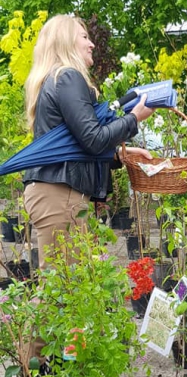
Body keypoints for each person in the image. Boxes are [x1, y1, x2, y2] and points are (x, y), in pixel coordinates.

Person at [23, 14, 154, 268]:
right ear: (65, 42)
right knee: (63, 293)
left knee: (67, 289)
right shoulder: (68, 76)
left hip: (57, 192)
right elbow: (93, 139)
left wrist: (118, 155)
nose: (91, 43)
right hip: (59, 194)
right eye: (84, 37)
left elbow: (79, 143)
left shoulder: (56, 79)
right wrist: (133, 119)